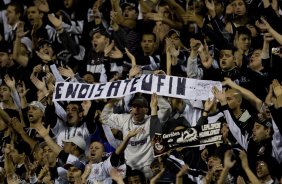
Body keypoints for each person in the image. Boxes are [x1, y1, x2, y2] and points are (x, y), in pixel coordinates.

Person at [101, 94, 161, 178]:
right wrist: (112, 101)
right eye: (134, 106)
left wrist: (154, 108)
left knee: (149, 174)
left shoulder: (151, 120)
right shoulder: (125, 119)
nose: (136, 109)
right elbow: (104, 118)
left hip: (147, 166)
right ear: (131, 109)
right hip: (129, 167)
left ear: (146, 110)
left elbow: (158, 141)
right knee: (111, 174)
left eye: (139, 107)